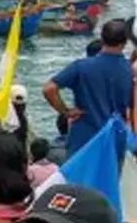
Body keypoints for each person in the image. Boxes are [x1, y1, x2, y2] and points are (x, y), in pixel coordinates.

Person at [44, 19, 134, 157]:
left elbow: (49, 89)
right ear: (125, 42)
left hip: (84, 139)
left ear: (102, 37)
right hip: (114, 140)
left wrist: (66, 111)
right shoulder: (129, 70)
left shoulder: (81, 66)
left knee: (79, 177)